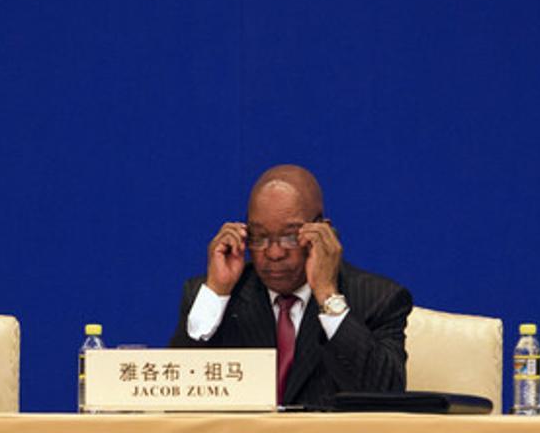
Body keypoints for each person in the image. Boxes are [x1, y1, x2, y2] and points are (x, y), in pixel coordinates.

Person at [170, 164, 412, 408]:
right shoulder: (214, 294)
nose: (274, 253)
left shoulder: (378, 299)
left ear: (323, 232)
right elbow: (175, 394)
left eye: (291, 237)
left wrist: (328, 297)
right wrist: (217, 292)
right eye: (259, 237)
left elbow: (387, 395)